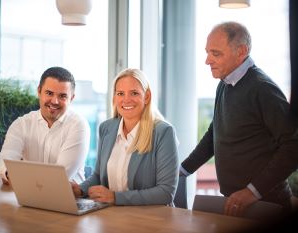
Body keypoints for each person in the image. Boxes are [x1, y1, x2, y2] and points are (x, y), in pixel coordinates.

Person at [180, 21, 298, 217]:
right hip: (233, 203)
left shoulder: (263, 89)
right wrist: (182, 170)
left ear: (241, 51)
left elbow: (294, 145)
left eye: (215, 53)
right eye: (207, 52)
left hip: (267, 207)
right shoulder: (224, 84)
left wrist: (253, 191)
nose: (207, 60)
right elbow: (214, 134)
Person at [71, 68, 180, 205]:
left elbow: (165, 193)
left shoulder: (163, 132)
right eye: (120, 94)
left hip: (152, 218)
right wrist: (80, 190)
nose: (126, 100)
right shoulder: (106, 128)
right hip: (112, 215)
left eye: (134, 93)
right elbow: (99, 176)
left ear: (146, 97)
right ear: (115, 98)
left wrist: (116, 198)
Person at [0, 66, 90, 184]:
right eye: (49, 93)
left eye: (62, 96)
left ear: (71, 98)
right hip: (27, 195)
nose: (54, 101)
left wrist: (20, 177)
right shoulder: (22, 124)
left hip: (70, 199)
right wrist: (9, 174)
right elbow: (6, 160)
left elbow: (60, 175)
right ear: (39, 91)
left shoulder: (79, 125)